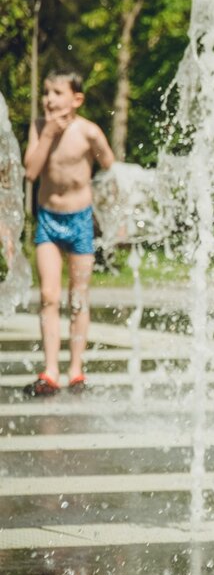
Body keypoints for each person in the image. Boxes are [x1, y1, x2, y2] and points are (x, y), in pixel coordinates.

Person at [22, 71, 115, 397]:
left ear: (76, 99)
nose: (49, 99)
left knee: (78, 297)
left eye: (57, 93)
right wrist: (47, 134)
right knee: (49, 296)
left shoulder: (88, 131)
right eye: (46, 92)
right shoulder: (38, 127)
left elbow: (109, 164)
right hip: (48, 219)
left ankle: (76, 369)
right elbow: (31, 172)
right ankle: (50, 370)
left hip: (80, 221)